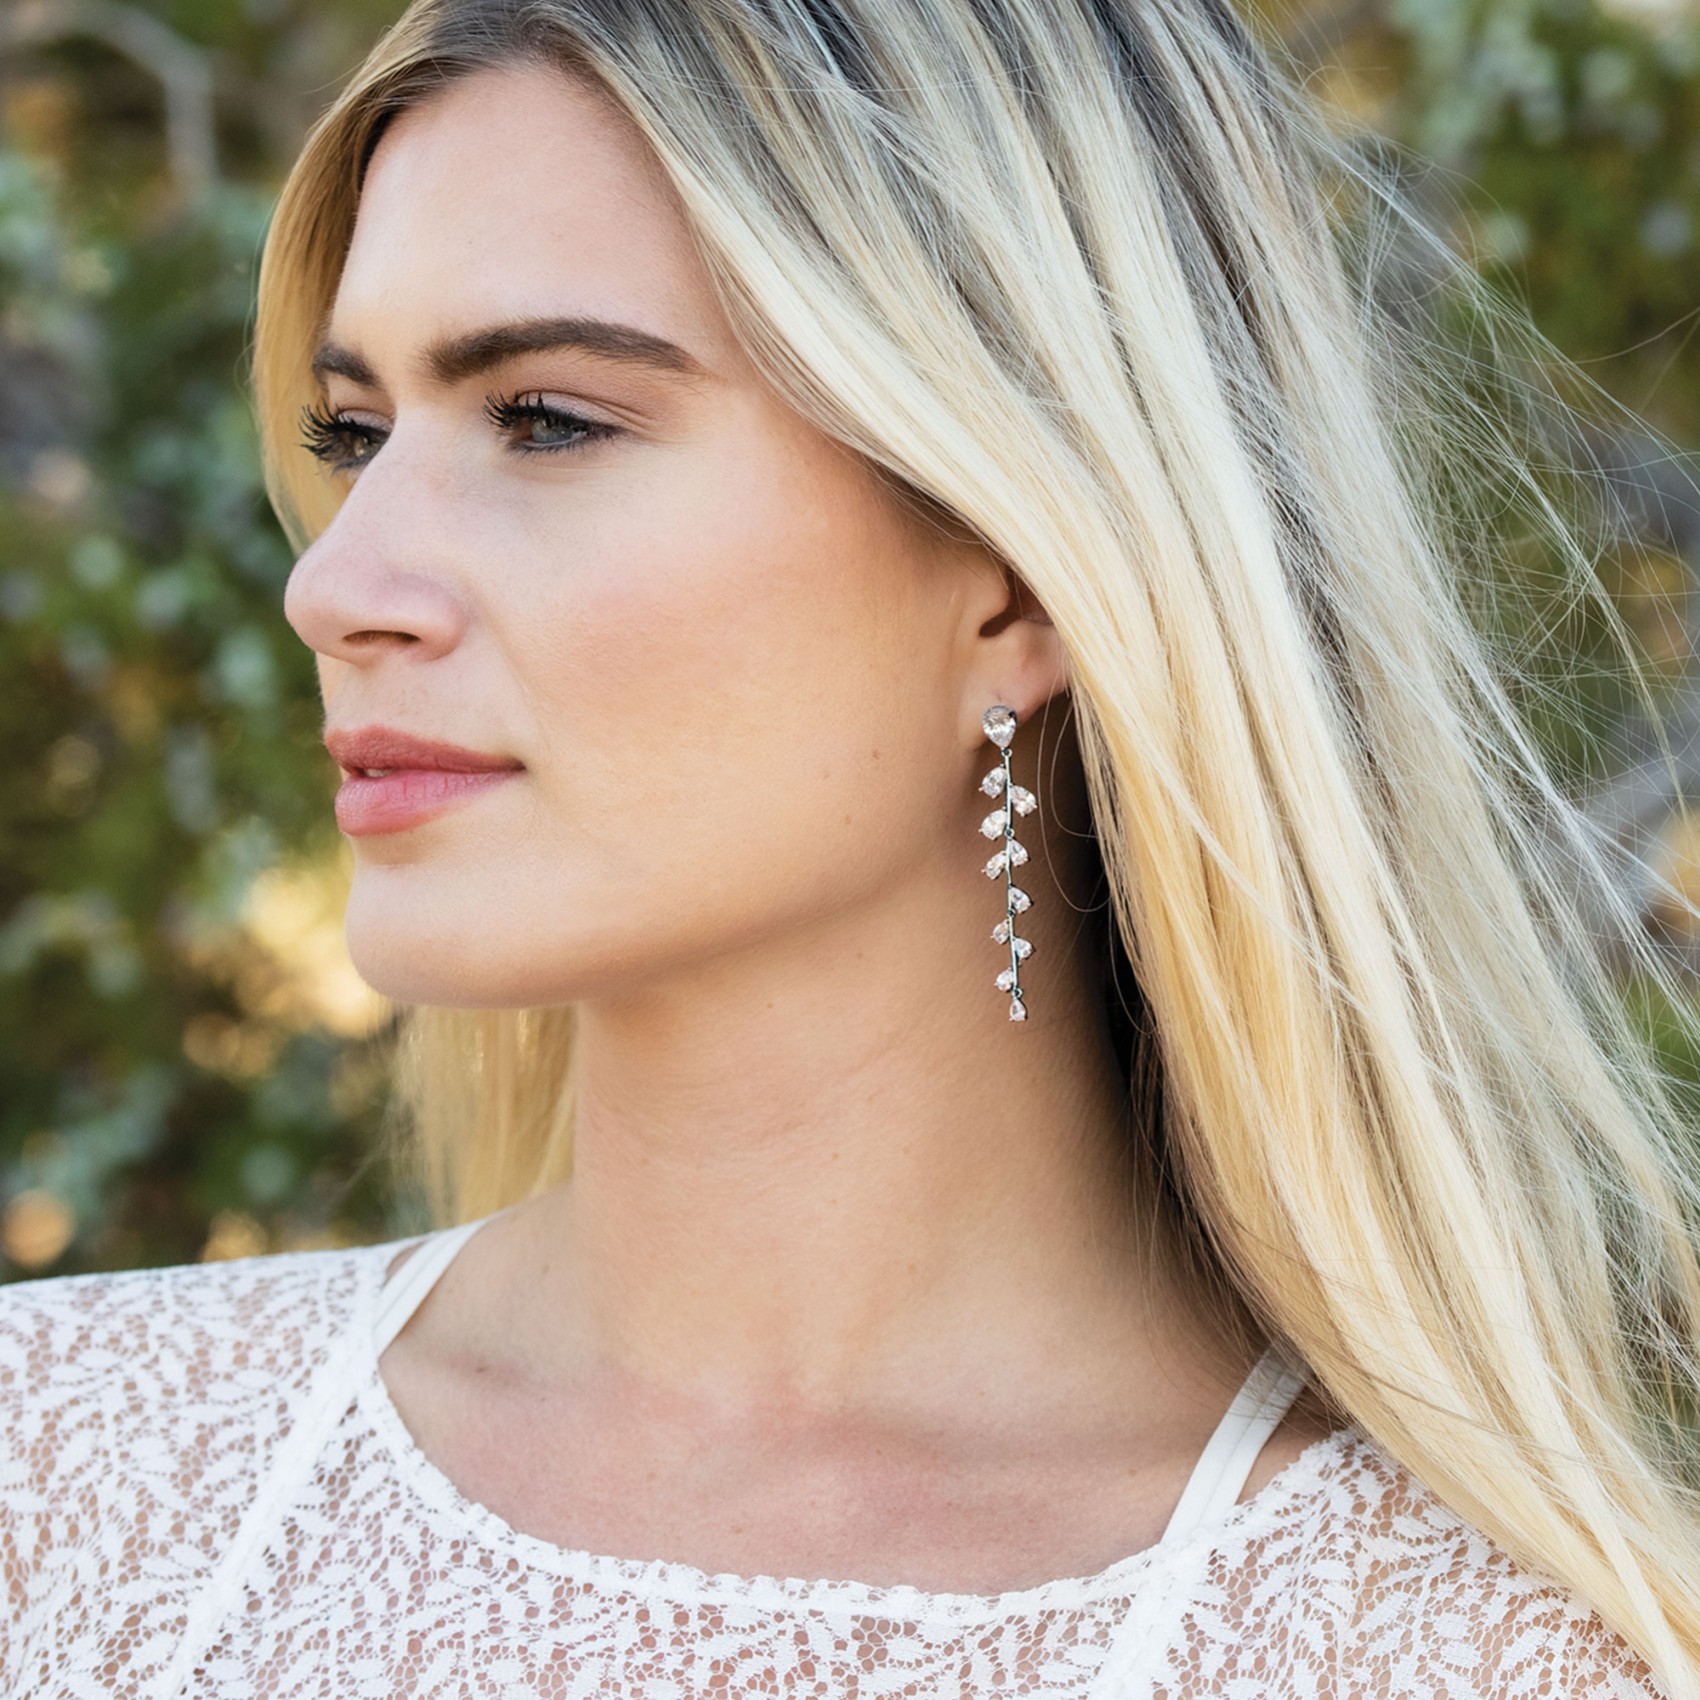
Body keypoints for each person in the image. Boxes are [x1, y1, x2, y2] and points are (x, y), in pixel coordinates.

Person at [3, 0, 1696, 1692]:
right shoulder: (59, 1477)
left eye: (547, 419)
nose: (335, 585)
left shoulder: (1465, 1656)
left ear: (1019, 574)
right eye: (354, 435)